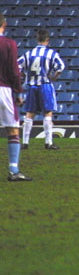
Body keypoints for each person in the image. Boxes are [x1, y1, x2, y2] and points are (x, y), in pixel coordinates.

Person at [18, 28, 65, 150]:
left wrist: (25, 75)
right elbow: (61, 67)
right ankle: (48, 142)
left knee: (29, 114)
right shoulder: (51, 54)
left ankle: (25, 142)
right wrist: (54, 77)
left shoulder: (28, 54)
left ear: (37, 39)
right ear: (47, 40)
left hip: (32, 86)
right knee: (47, 113)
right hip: (45, 85)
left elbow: (17, 66)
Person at [0, 13, 32, 181]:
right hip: (4, 90)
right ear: (4, 24)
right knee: (12, 129)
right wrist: (19, 92)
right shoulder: (9, 44)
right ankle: (14, 170)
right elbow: (14, 71)